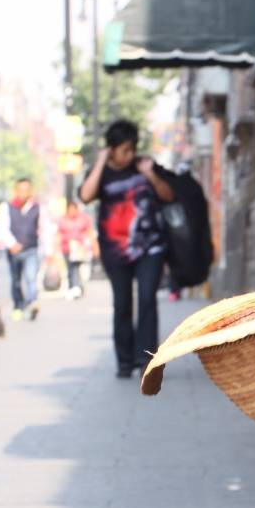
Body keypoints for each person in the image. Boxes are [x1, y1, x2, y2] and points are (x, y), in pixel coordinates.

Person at [78, 119, 175, 378]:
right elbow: (86, 196)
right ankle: (124, 361)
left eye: (132, 149)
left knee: (146, 300)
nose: (129, 155)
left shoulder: (143, 166)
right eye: (123, 150)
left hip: (150, 247)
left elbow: (168, 196)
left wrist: (150, 175)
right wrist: (100, 162)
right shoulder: (102, 172)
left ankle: (146, 361)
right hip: (115, 251)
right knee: (122, 304)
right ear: (111, 149)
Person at [0, 178, 44, 321]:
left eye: (26, 190)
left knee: (31, 277)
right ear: (16, 191)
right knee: (16, 280)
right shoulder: (7, 207)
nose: (23, 194)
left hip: (31, 249)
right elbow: (2, 227)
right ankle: (18, 306)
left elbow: (43, 228)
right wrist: (12, 244)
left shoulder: (36, 207)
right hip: (13, 250)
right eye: (20, 190)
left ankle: (32, 301)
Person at [55, 199, 99, 299]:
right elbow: (59, 234)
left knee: (75, 268)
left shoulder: (84, 219)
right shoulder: (62, 219)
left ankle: (76, 287)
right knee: (70, 269)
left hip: (80, 249)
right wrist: (55, 248)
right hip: (66, 249)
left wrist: (95, 246)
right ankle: (73, 287)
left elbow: (90, 232)